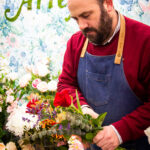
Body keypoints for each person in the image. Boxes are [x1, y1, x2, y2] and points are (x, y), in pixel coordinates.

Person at [57, 0, 150, 149]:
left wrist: (120, 132)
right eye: (76, 19)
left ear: (108, 4)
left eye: (86, 15)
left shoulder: (145, 40)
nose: (81, 26)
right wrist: (83, 109)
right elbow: (66, 84)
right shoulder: (76, 42)